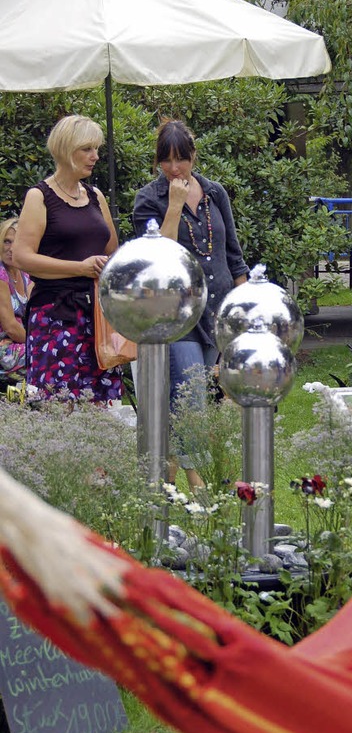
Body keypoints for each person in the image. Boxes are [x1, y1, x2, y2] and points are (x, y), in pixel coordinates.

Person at [133, 119, 248, 489]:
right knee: (191, 394)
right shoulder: (149, 199)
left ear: (194, 156)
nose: (174, 168)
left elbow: (233, 255)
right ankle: (199, 481)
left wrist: (244, 309)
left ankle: (167, 475)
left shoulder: (216, 193)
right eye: (166, 160)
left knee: (210, 396)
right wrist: (175, 204)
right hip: (176, 314)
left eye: (181, 159)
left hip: (217, 312)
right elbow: (156, 257)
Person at [13, 114, 122, 402]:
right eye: (87, 149)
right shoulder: (40, 196)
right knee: (56, 403)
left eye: (96, 149)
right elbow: (21, 256)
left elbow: (112, 250)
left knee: (99, 401)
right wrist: (80, 268)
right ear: (65, 149)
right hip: (54, 314)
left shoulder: (95, 196)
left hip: (96, 315)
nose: (95, 156)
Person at [0, 217, 32, 384]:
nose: (11, 248)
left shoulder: (24, 275)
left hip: (16, 343)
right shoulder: (1, 275)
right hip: (4, 345)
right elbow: (10, 327)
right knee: (45, 357)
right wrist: (38, 342)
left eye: (16, 242)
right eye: (6, 242)